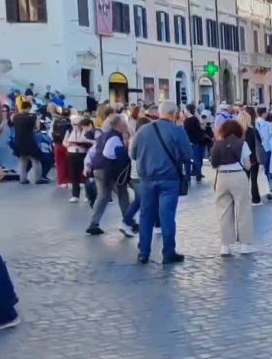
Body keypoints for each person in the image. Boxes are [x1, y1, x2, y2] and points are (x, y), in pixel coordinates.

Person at [130, 100, 194, 264]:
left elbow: (133, 153)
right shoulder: (177, 131)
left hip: (147, 178)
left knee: (146, 215)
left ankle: (143, 252)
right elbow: (187, 154)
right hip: (169, 178)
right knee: (167, 215)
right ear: (174, 114)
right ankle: (168, 252)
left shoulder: (143, 130)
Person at [210, 119, 254, 256]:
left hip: (222, 177)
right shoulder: (243, 144)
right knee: (243, 210)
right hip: (238, 176)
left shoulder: (217, 144)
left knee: (224, 212)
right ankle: (245, 245)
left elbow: (213, 164)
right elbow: (247, 165)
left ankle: (225, 246)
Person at [86, 114, 132, 236]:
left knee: (103, 197)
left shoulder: (103, 135)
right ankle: (128, 222)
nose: (126, 126)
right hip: (108, 170)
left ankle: (93, 223)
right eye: (125, 124)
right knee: (123, 194)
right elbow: (109, 153)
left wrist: (88, 165)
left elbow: (93, 151)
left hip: (97, 168)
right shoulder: (115, 137)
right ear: (120, 125)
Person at [11, 99, 45, 184]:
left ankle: (23, 179)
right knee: (36, 160)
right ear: (29, 107)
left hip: (19, 142)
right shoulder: (31, 117)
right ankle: (38, 179)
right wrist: (38, 119)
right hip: (29, 142)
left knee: (23, 161)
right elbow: (36, 128)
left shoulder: (15, 116)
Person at [183, 104, 208, 183]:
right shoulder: (196, 119)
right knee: (199, 158)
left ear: (188, 110)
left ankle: (195, 173)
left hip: (192, 142)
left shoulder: (187, 121)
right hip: (200, 141)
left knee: (195, 158)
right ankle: (198, 173)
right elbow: (203, 128)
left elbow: (186, 133)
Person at [50, 104, 72, 188]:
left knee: (60, 164)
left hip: (57, 144)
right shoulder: (70, 122)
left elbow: (51, 133)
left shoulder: (55, 121)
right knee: (69, 164)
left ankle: (62, 181)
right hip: (68, 144)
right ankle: (70, 180)